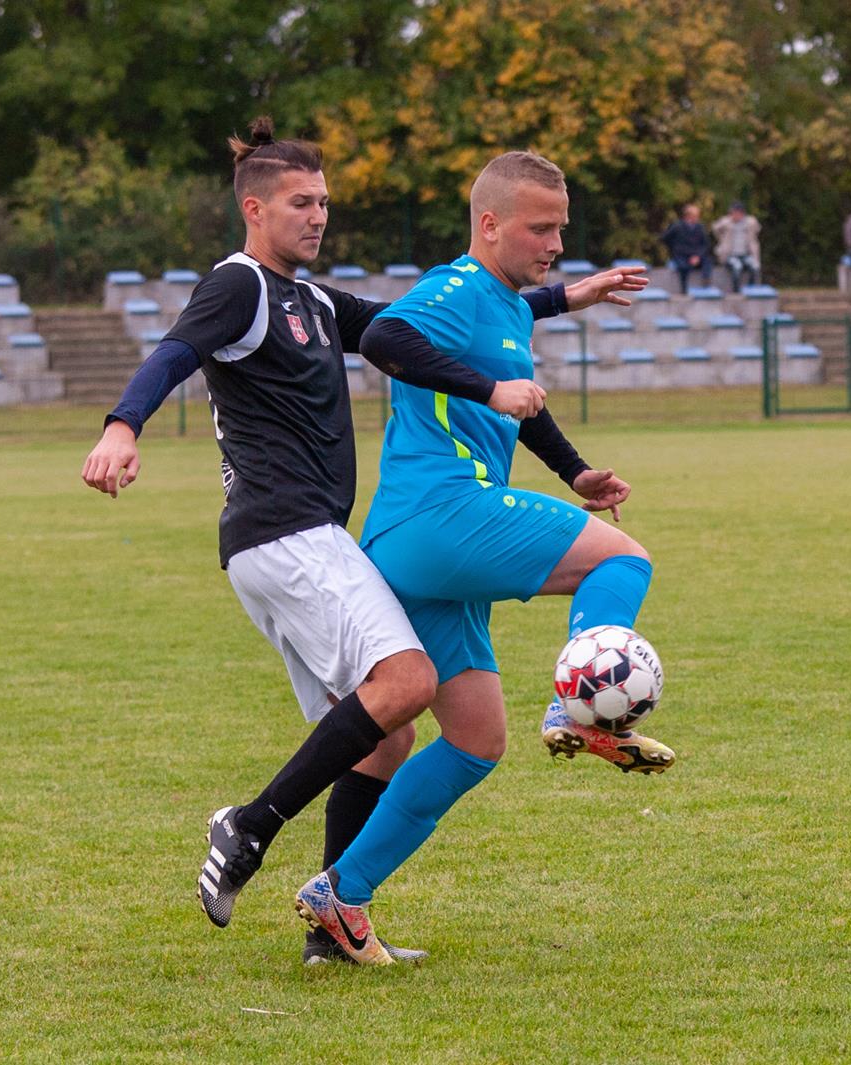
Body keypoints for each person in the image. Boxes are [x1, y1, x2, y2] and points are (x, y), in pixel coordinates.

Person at [79, 119, 642, 965]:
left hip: (299, 540)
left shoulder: (310, 300)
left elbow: (409, 325)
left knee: (393, 733)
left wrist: (568, 297)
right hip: (293, 531)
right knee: (413, 678)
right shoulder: (240, 285)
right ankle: (251, 822)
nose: (317, 217)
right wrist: (124, 425)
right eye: (301, 203)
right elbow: (175, 351)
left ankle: (334, 920)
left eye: (325, 203)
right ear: (254, 207)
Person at [293, 151, 677, 966]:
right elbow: (388, 335)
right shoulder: (458, 289)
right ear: (490, 223)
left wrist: (576, 471)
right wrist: (488, 390)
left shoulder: (503, 307)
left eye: (562, 227)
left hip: (414, 546)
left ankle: (341, 898)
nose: (556, 242)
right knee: (624, 563)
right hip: (444, 512)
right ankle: (580, 702)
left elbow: (516, 390)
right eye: (541, 227)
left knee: (475, 740)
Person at [660, 203, 712, 293]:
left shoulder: (700, 227)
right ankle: (684, 289)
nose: (697, 218)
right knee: (683, 267)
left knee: (708, 261)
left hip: (696, 255)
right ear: (688, 216)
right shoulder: (677, 226)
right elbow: (664, 238)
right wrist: (674, 248)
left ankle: (705, 283)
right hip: (681, 255)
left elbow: (705, 244)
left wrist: (697, 256)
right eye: (695, 216)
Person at [712, 202, 760, 292]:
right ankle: (736, 291)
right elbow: (715, 228)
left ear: (742, 213)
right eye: (733, 213)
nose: (735, 215)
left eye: (737, 213)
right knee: (737, 267)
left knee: (754, 266)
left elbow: (757, 230)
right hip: (731, 255)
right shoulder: (726, 221)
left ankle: (751, 290)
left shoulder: (750, 222)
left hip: (745, 254)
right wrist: (722, 238)